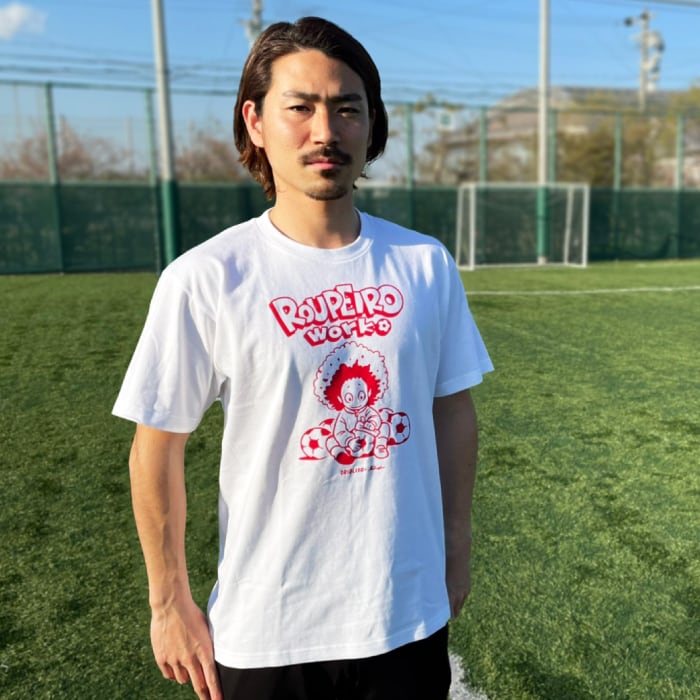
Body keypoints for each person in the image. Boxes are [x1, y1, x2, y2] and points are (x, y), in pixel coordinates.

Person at [113, 16, 493, 700]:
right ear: (255, 122)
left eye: (347, 108)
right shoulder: (208, 278)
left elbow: (452, 410)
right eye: (301, 107)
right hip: (268, 633)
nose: (326, 131)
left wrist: (457, 545)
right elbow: (156, 448)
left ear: (371, 125)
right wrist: (168, 603)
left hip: (405, 619)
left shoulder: (424, 264)